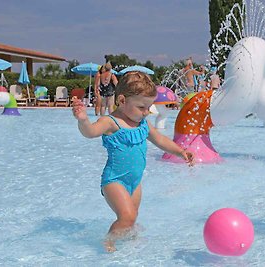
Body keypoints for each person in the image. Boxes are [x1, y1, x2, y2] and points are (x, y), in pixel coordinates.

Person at [72, 71, 195, 252]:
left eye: (148, 107)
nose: (146, 112)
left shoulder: (142, 123)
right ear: (122, 101)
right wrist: (83, 120)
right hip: (115, 180)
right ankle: (107, 244)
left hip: (135, 181)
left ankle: (129, 245)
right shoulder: (110, 122)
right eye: (141, 107)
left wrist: (180, 151)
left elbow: (160, 140)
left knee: (132, 217)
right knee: (127, 216)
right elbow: (90, 132)